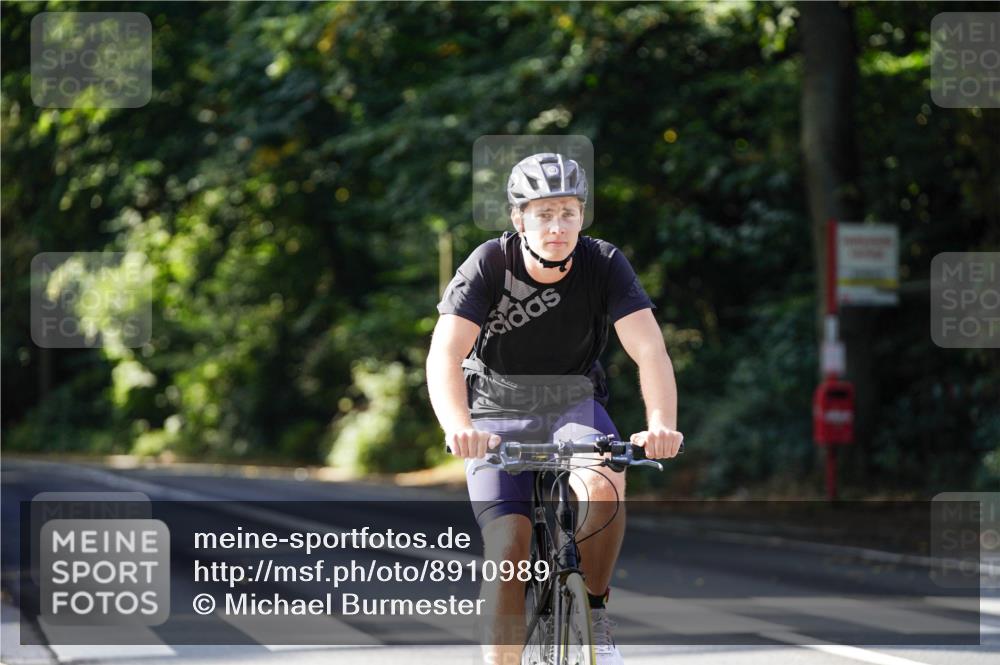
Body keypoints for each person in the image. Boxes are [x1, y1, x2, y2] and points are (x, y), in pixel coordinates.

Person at [426, 152, 683, 665]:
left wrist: (661, 425)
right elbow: (444, 354)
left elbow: (650, 349)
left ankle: (595, 613)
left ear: (582, 216)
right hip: (497, 411)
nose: (557, 226)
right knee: (509, 546)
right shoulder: (489, 264)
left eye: (568, 212)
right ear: (519, 218)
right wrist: (459, 426)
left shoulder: (603, 262)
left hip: (573, 406)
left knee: (604, 484)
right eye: (543, 213)